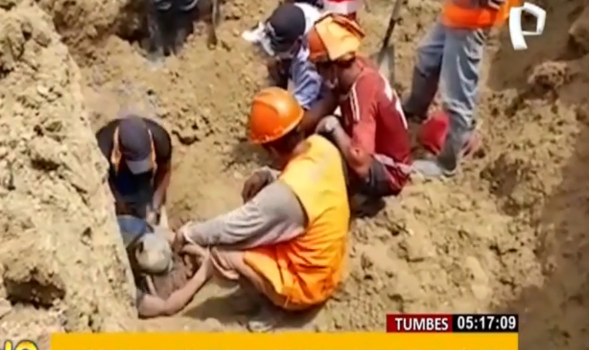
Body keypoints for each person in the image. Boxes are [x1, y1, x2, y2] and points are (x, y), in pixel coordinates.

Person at [136, 87, 350, 331]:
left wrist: (189, 233)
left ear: (270, 148)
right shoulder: (321, 146)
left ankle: (277, 307)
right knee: (255, 219)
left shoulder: (285, 197)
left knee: (222, 253)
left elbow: (232, 228)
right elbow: (313, 182)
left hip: (308, 284)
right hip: (328, 262)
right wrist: (270, 175)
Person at [403, 0, 519, 177]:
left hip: (471, 19)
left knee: (456, 95)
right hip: (458, 9)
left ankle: (447, 162)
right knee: (427, 56)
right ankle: (415, 107)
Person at [306, 14, 412, 202]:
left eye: (318, 67)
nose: (318, 74)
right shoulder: (356, 68)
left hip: (389, 172)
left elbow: (360, 161)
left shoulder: (363, 91)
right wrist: (298, 128)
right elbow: (325, 106)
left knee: (327, 148)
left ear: (332, 68)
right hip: (381, 150)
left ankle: (356, 195)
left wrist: (333, 127)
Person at [95, 115, 172, 225]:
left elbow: (164, 170)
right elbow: (101, 186)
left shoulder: (160, 139)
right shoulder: (102, 147)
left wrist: (155, 208)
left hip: (145, 184)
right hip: (117, 181)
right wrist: (118, 204)